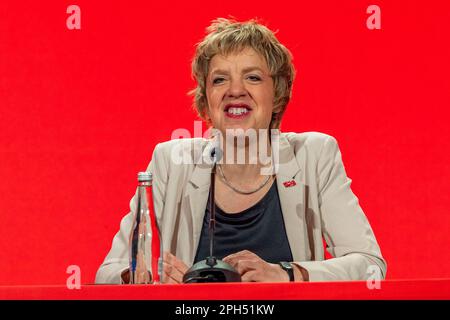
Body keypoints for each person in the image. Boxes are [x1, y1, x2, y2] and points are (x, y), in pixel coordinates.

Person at [95, 17, 387, 284]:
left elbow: (370, 266)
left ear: (277, 94)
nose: (235, 90)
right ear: (206, 99)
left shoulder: (315, 155)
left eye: (253, 77)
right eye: (220, 79)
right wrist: (141, 275)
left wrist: (287, 272)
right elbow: (107, 274)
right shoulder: (170, 162)